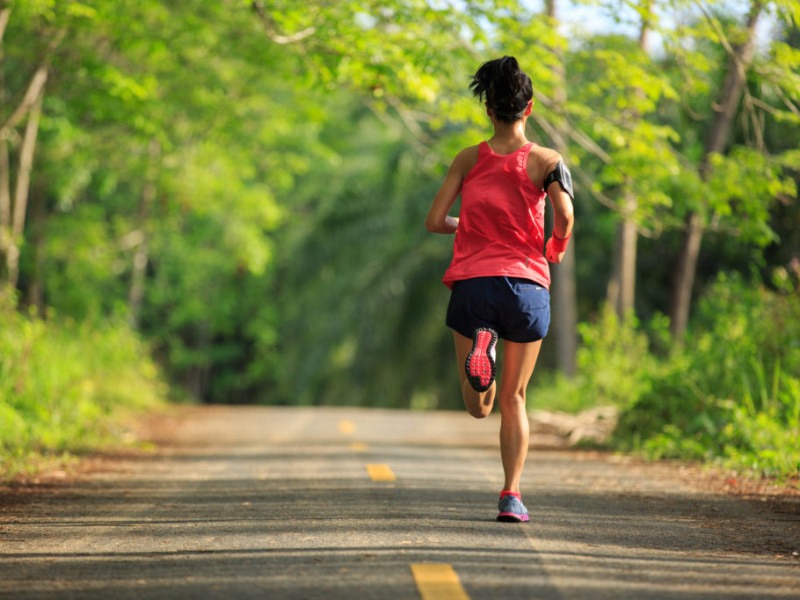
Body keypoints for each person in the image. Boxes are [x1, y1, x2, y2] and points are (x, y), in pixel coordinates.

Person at [425, 56, 575, 523]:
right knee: (515, 400)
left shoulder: (468, 159)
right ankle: (512, 494)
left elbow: (434, 221)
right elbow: (566, 216)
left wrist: (465, 225)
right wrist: (556, 245)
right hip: (527, 286)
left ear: (488, 109)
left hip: (474, 285)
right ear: (528, 109)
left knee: (478, 407)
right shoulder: (549, 161)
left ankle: (482, 352)